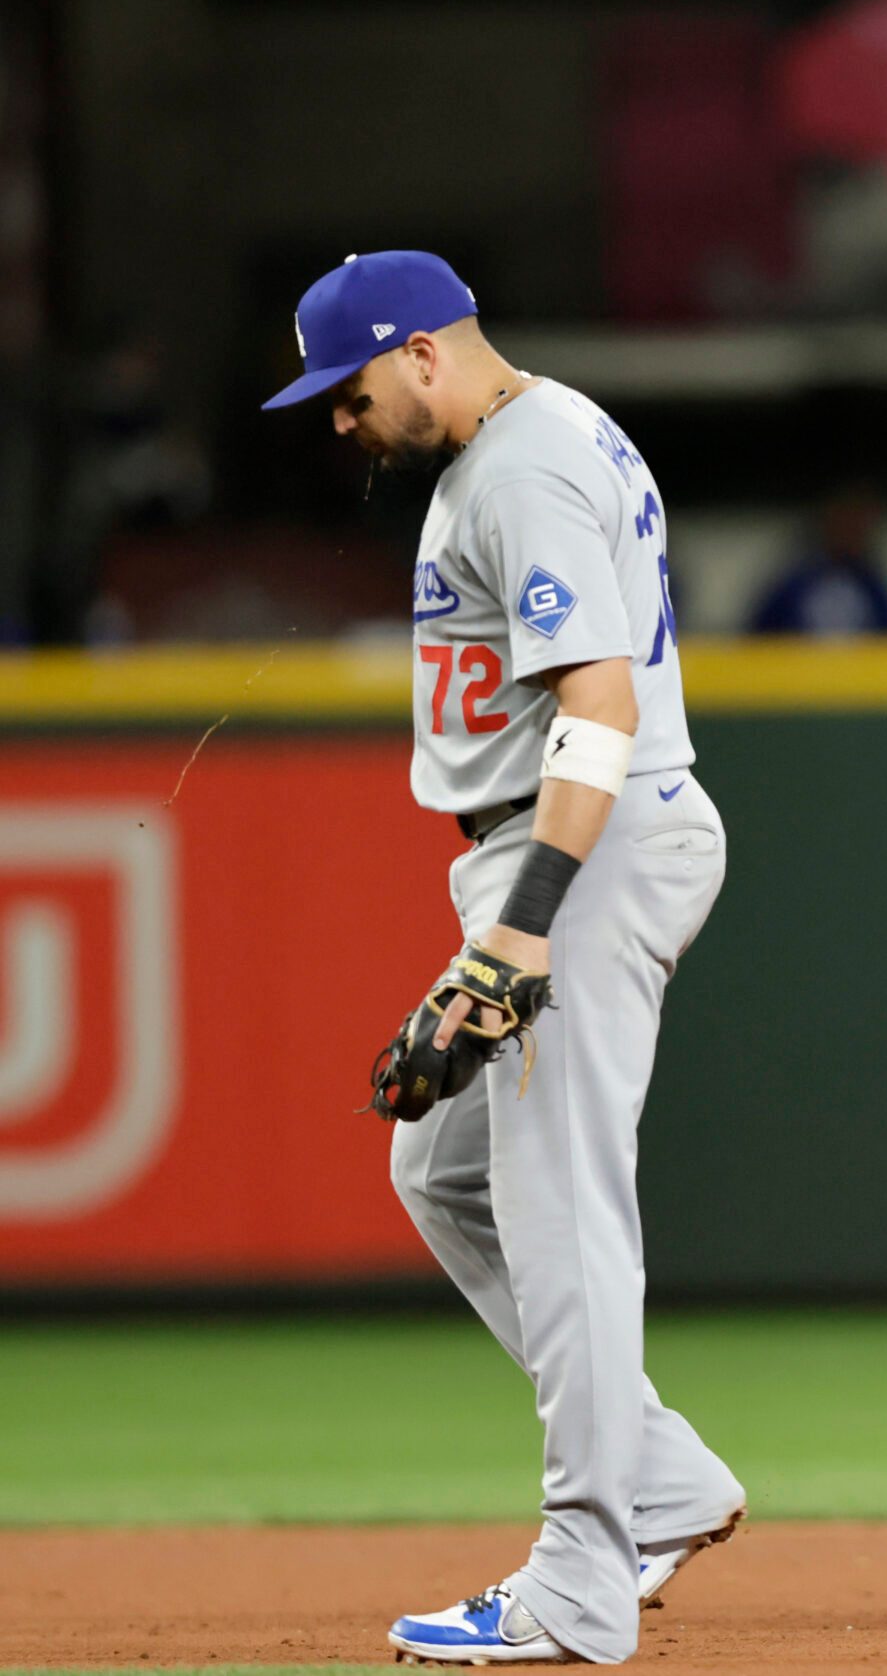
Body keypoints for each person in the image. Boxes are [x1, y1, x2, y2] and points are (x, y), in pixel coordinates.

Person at [262, 252, 744, 1664]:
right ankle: (659, 1479)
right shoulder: (540, 433)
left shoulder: (520, 464)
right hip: (566, 841)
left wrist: (519, 930)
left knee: (562, 1211)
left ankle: (583, 1584)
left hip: (576, 845)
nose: (338, 426)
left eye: (345, 394)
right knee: (445, 1169)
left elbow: (594, 706)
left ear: (418, 353)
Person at [748, 486, 887, 636]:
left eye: (862, 521)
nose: (853, 528)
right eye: (847, 518)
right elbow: (757, 637)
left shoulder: (872, 585)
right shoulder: (795, 584)